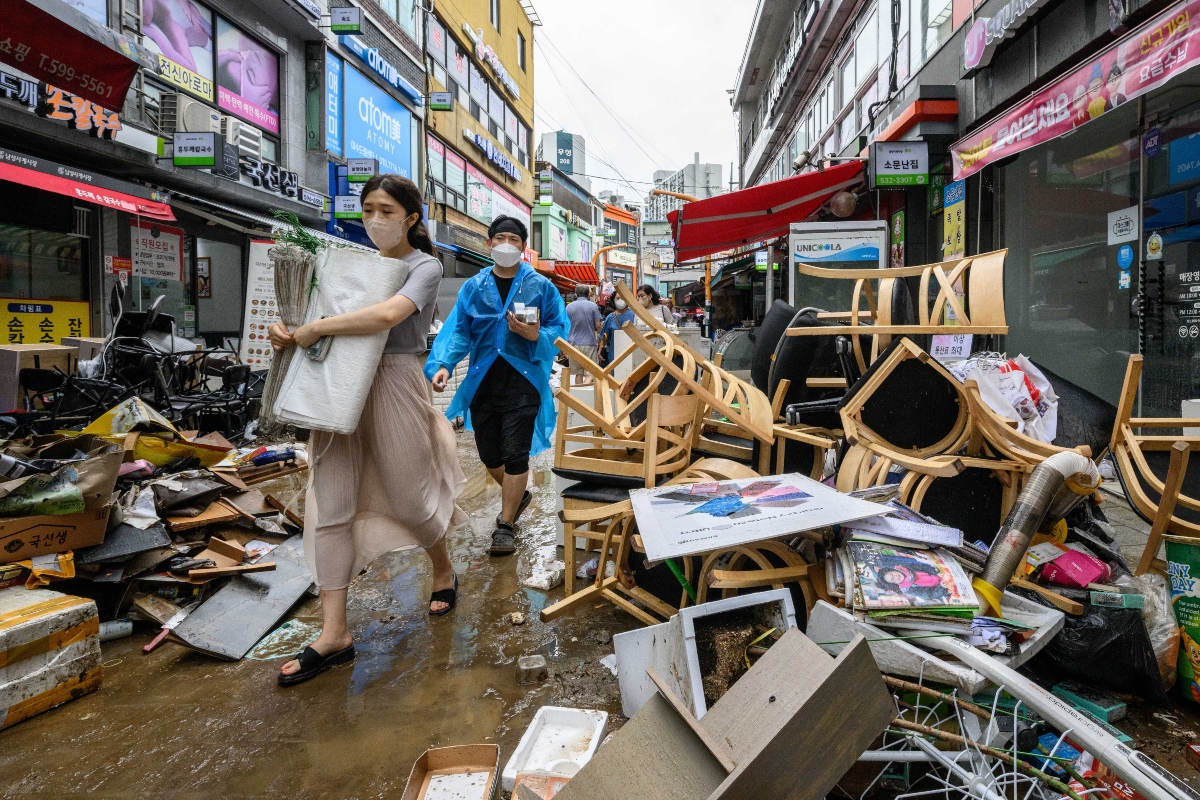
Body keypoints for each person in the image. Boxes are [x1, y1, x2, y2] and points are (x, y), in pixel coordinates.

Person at [268, 175, 466, 687]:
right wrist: (289, 330)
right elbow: (309, 316)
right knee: (332, 503)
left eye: (386, 209)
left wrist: (319, 328)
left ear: (411, 218)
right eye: (368, 209)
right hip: (334, 382)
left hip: (394, 383)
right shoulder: (344, 264)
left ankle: (441, 567)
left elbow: (386, 315)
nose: (375, 219)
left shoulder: (424, 266)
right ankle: (334, 633)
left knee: (409, 497)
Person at [426, 216, 569, 556]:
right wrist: (443, 363)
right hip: (484, 380)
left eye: (514, 239)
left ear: (523, 247)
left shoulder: (541, 287)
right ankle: (518, 494)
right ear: (489, 243)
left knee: (515, 450)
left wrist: (536, 335)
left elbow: (558, 329)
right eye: (500, 237)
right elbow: (460, 331)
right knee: (490, 454)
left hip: (525, 379)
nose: (506, 244)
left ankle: (505, 526)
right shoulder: (473, 287)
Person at [565, 284, 603, 385]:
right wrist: (601, 338)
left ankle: (579, 395)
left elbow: (565, 326)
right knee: (591, 371)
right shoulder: (593, 306)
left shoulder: (569, 307)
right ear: (588, 294)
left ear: (576, 294)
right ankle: (586, 387)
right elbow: (598, 325)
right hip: (589, 343)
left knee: (578, 373)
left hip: (573, 344)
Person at [598, 293, 634, 367]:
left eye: (622, 298)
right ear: (614, 300)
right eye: (617, 298)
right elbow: (604, 336)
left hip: (631, 353)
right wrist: (600, 351)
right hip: (614, 353)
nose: (620, 300)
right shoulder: (610, 317)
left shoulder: (634, 315)